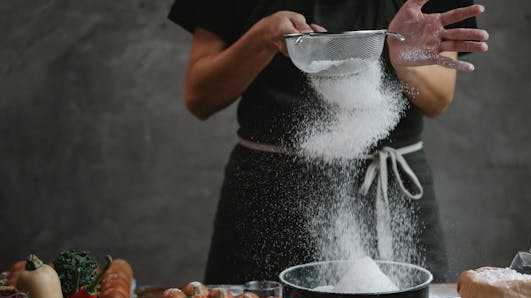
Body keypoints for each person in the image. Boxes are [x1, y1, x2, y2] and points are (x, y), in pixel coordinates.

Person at [168, 0, 489, 283]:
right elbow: (200, 96)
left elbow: (438, 99)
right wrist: (260, 39)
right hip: (268, 196)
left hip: (389, 194)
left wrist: (405, 60)